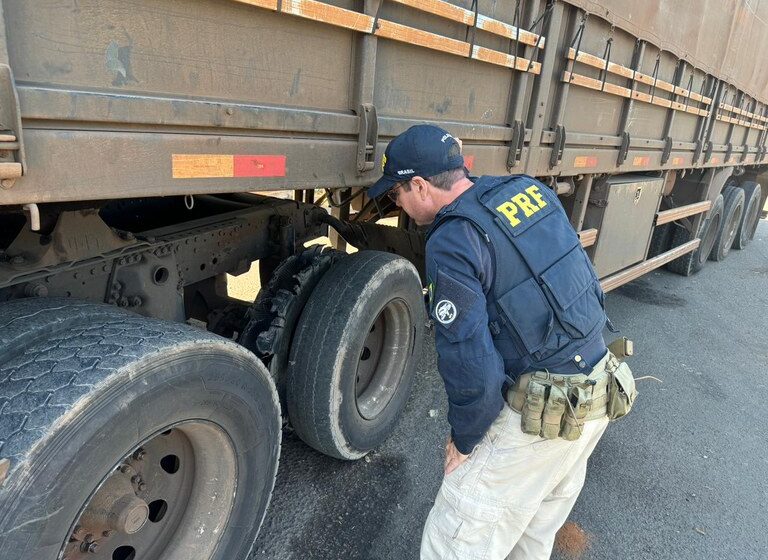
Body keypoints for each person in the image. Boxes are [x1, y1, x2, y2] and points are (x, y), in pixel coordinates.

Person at [366, 124, 635, 560]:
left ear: (419, 186)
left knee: (453, 539)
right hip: (599, 392)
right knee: (530, 538)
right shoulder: (526, 190)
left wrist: (465, 439)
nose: (397, 203)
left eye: (397, 193)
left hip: (542, 417)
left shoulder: (452, 240)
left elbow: (469, 359)